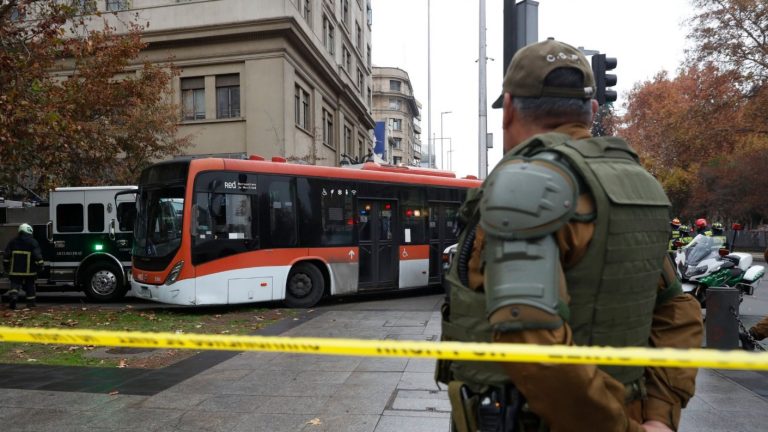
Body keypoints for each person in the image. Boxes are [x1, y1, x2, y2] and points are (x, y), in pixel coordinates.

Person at [436, 39, 703, 432]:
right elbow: (676, 311)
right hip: (632, 412)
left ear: (508, 109)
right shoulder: (635, 187)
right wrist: (660, 415)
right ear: (592, 111)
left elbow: (530, 337)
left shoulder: (527, 189)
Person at [2, 223, 43, 309]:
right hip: (30, 271)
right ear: (29, 231)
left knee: (14, 286)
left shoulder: (12, 241)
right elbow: (37, 256)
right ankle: (30, 304)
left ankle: (14, 297)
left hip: (15, 270)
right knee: (30, 286)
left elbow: (6, 256)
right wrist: (40, 266)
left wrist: (6, 267)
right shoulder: (33, 242)